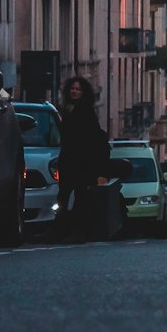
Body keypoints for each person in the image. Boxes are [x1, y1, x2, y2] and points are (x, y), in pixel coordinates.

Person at [55, 76, 109, 240]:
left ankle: (78, 231)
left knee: (80, 197)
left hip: (82, 161)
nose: (74, 91)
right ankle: (60, 229)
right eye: (72, 88)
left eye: (78, 89)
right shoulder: (68, 110)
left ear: (83, 93)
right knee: (63, 196)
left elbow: (90, 137)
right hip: (68, 159)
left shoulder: (85, 111)